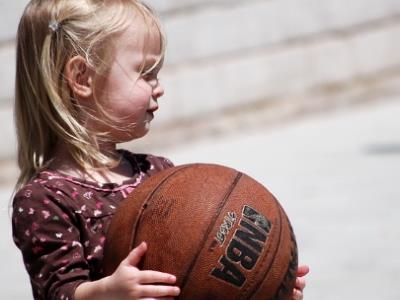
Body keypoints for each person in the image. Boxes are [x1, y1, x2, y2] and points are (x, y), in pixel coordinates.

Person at [11, 0, 309, 299]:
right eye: (145, 72)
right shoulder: (45, 199)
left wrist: (270, 282)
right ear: (81, 78)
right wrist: (109, 291)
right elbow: (58, 291)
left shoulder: (158, 173)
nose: (159, 86)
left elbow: (202, 274)